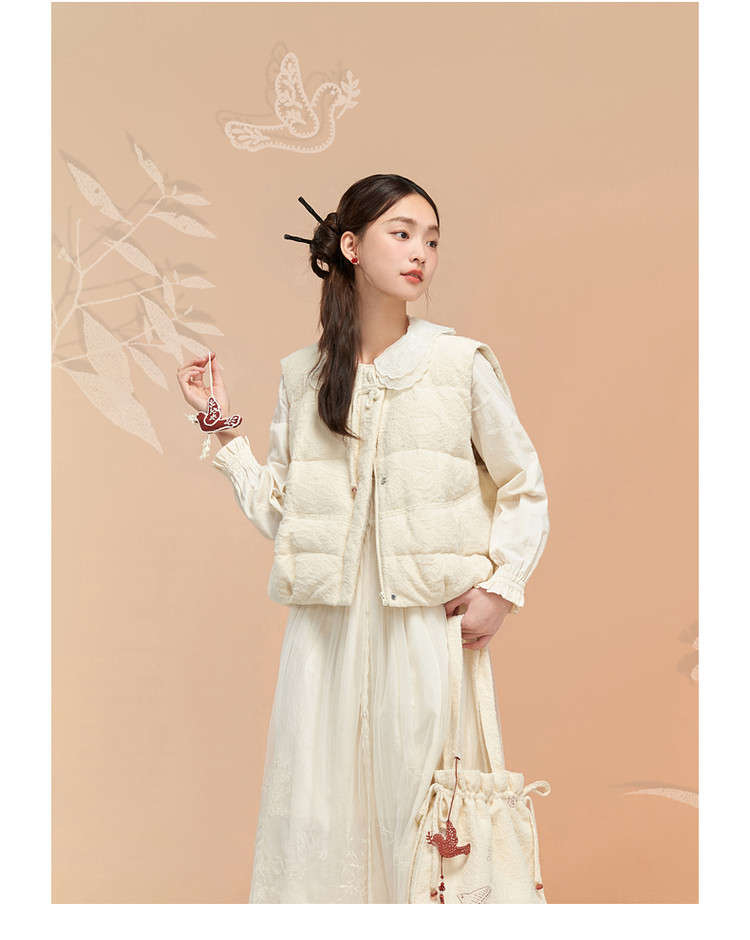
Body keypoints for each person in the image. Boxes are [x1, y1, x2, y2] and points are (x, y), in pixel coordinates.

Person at [176, 173, 550, 903]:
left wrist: (501, 588)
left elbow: (523, 482)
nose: (421, 253)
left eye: (431, 240)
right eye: (401, 234)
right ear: (350, 246)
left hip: (424, 629)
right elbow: (287, 515)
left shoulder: (459, 364)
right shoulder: (304, 376)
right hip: (327, 639)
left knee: (429, 827)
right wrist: (218, 424)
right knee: (324, 818)